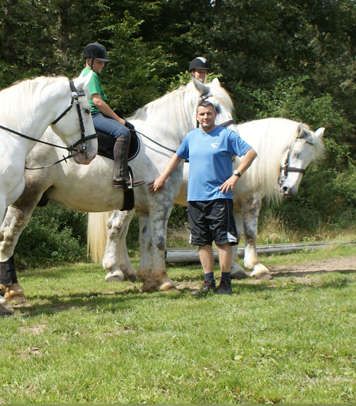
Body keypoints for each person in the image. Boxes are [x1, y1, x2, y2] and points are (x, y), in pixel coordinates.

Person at [149, 100, 257, 294]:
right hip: (195, 199)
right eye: (202, 114)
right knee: (202, 241)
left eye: (209, 113)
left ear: (215, 114)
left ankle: (225, 283)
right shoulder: (191, 137)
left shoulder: (226, 135)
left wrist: (235, 175)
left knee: (222, 240)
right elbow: (177, 157)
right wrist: (162, 177)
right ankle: (208, 281)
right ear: (197, 116)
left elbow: (250, 153)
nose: (205, 117)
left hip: (219, 197)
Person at [78, 43, 143, 189]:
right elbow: (97, 102)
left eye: (103, 62)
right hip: (94, 114)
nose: (102, 65)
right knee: (123, 132)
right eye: (99, 62)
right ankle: (120, 177)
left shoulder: (83, 73)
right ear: (89, 60)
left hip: (89, 114)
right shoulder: (91, 75)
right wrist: (118, 119)